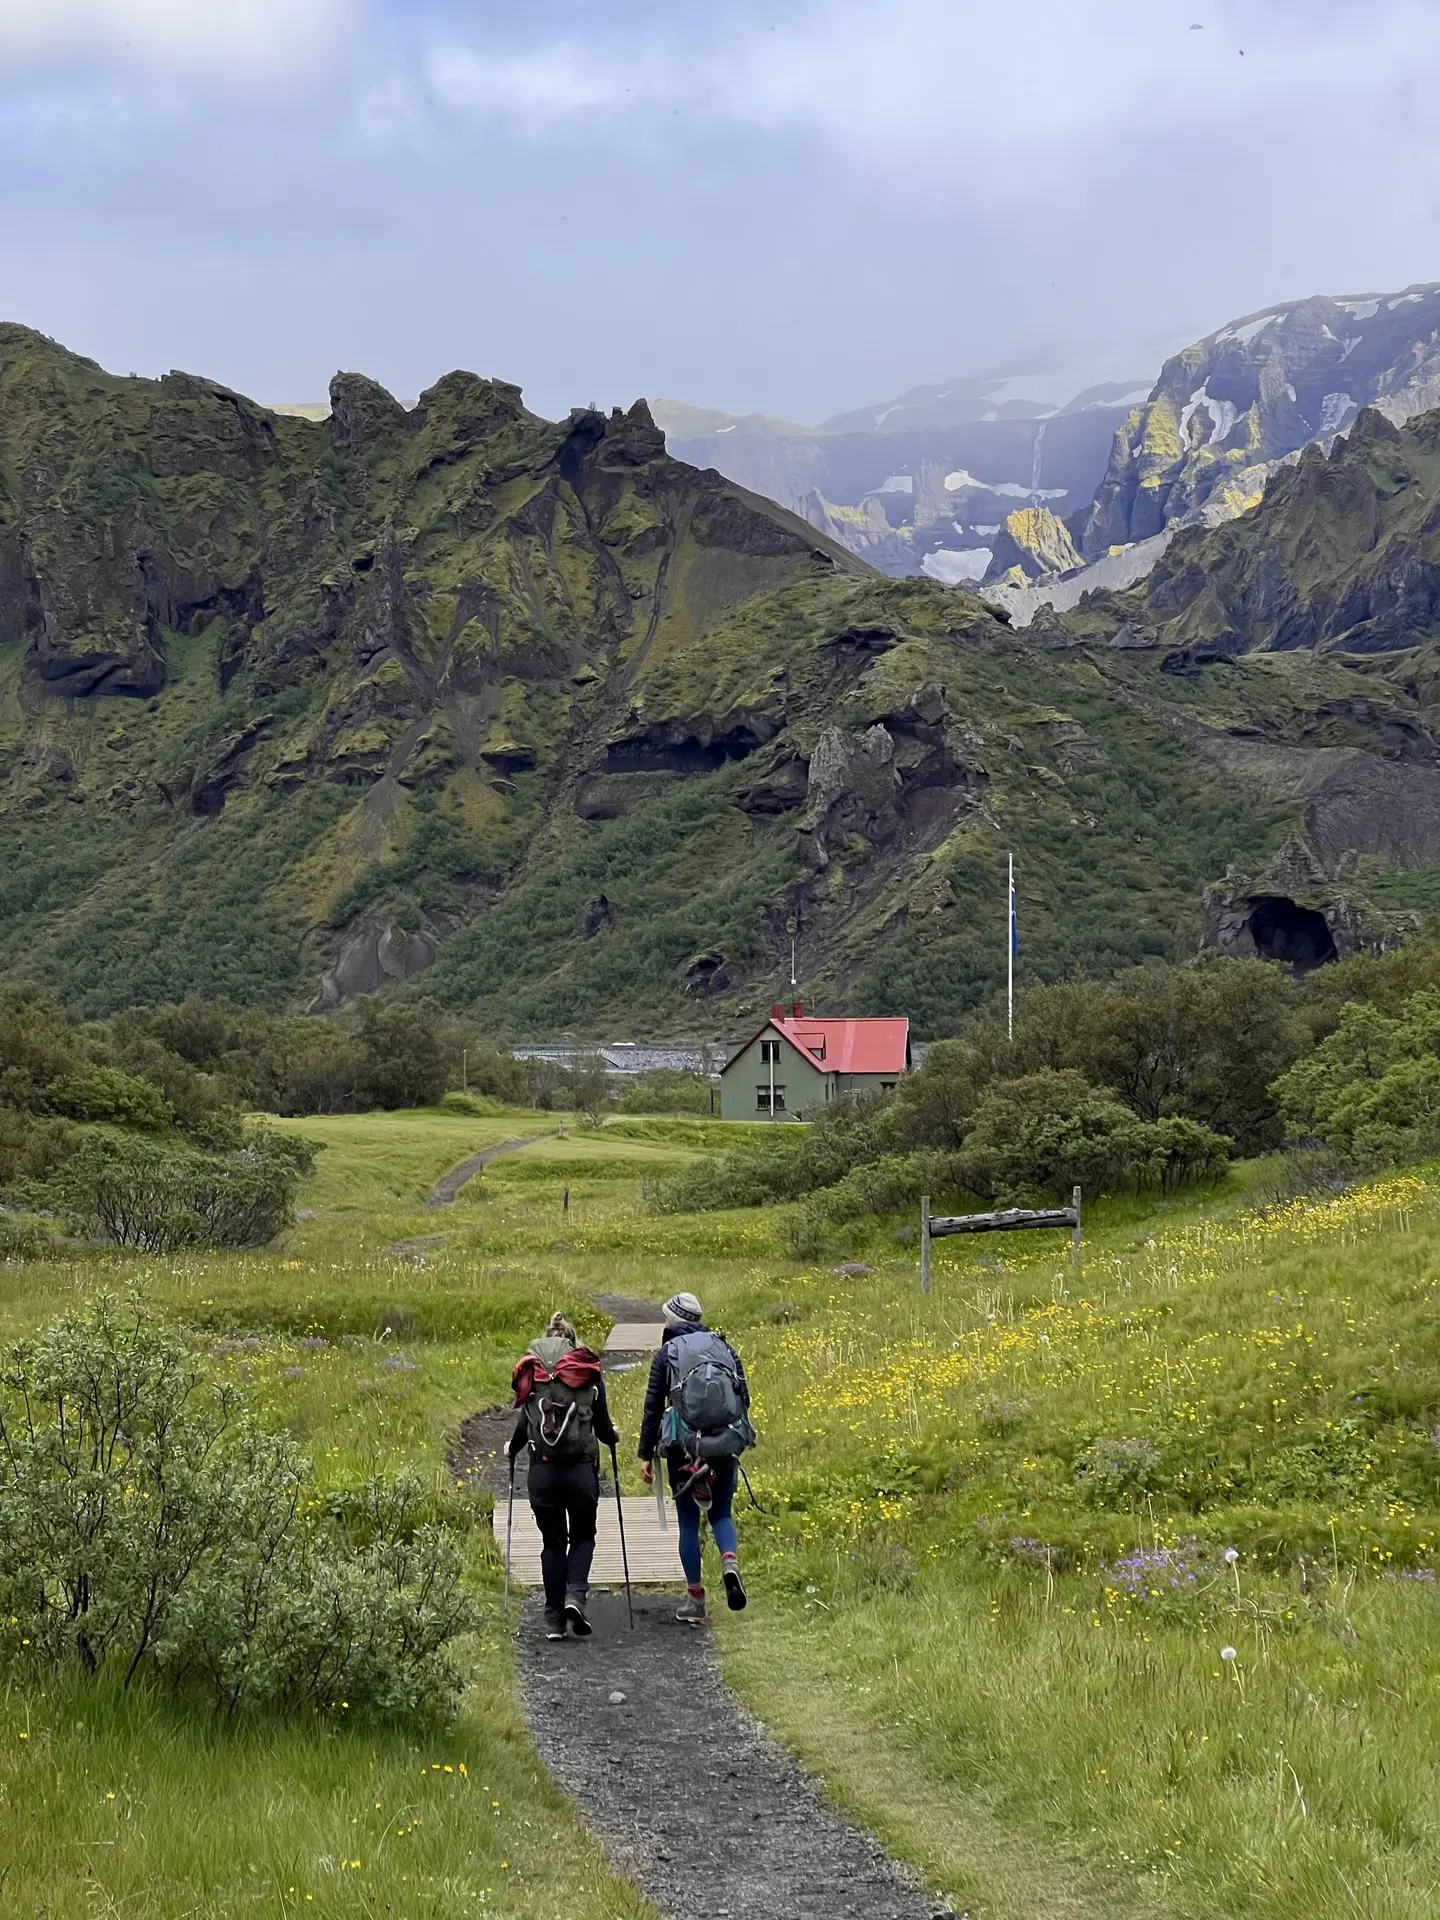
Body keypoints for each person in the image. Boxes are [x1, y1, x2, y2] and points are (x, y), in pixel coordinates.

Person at [638, 1291, 752, 1623]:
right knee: (722, 1514)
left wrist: (646, 1454)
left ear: (674, 1321)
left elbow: (653, 1408)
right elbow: (742, 1395)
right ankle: (729, 1560)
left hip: (684, 1450)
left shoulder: (666, 1354)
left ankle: (695, 1600)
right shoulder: (724, 1346)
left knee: (689, 1523)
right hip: (725, 1441)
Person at [509, 1312, 618, 1641]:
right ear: (572, 1342)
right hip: (581, 1471)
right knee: (583, 1535)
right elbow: (602, 1428)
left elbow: (523, 1426)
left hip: (543, 1474)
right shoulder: (585, 1375)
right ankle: (575, 1597)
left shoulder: (534, 1376)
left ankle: (555, 1619)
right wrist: (613, 1437)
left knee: (552, 1543)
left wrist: (511, 1450)